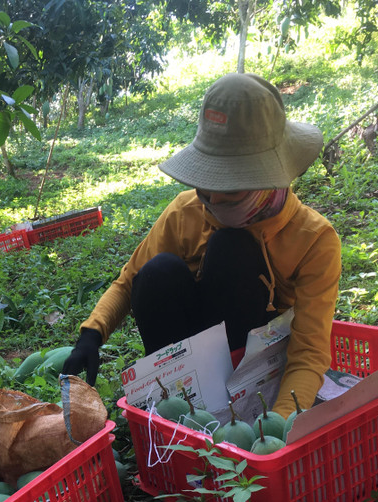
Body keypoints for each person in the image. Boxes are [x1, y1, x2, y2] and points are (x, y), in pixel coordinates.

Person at [62, 73, 341, 417]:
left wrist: (281, 423)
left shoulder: (314, 239)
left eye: (231, 191)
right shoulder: (185, 211)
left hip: (256, 355)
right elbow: (130, 279)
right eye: (206, 190)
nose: (214, 201)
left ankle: (235, 406)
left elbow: (309, 350)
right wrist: (92, 334)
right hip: (190, 346)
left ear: (268, 178)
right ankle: (181, 403)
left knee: (232, 249)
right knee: (157, 273)